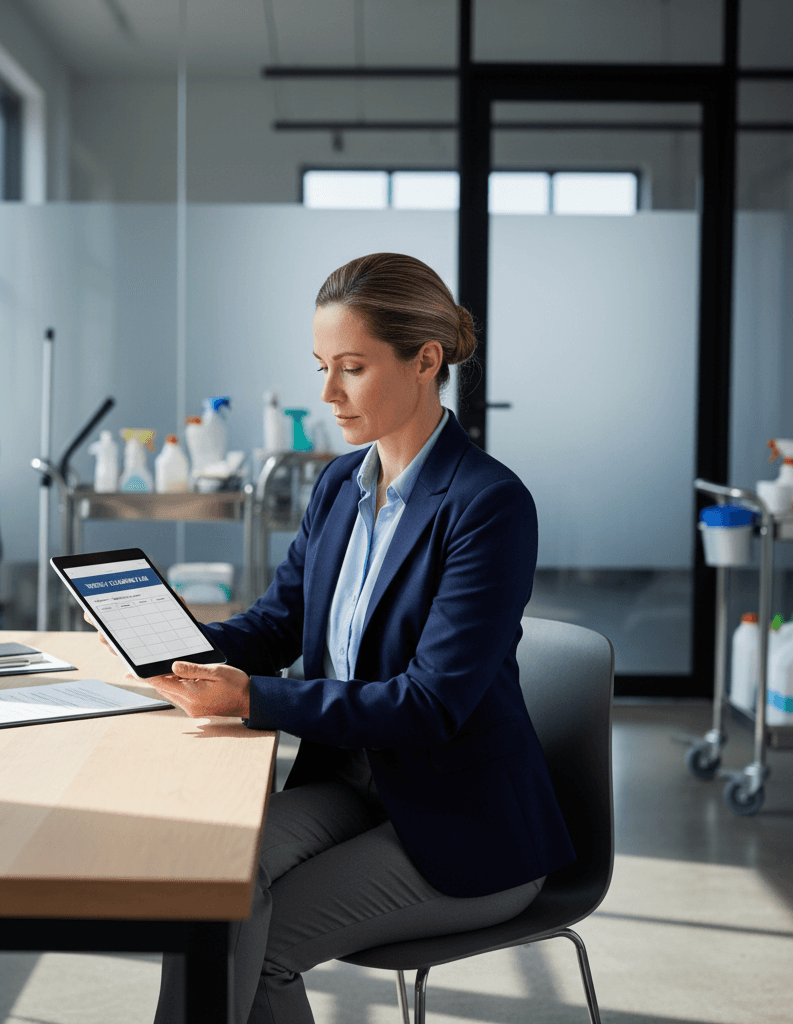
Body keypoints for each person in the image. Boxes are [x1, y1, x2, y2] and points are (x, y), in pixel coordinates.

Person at [131, 252, 575, 1023]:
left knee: (252, 940)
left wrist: (255, 699)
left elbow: (431, 704)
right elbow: (277, 623)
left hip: (462, 821)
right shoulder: (340, 485)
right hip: (352, 787)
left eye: (352, 367)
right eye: (321, 367)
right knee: (205, 886)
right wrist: (176, 642)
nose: (328, 394)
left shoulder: (489, 505)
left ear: (425, 360)